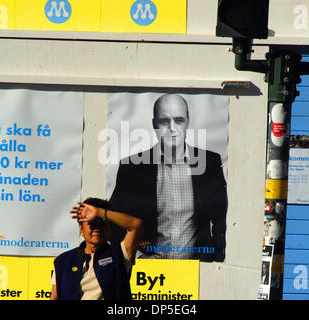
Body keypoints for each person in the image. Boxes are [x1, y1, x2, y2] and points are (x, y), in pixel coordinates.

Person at [109, 94, 227, 262]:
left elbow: (221, 217)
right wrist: (132, 257)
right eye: (164, 121)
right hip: (149, 274)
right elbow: (115, 221)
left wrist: (215, 258)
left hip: (197, 271)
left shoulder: (209, 164)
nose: (172, 128)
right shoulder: (132, 167)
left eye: (179, 120)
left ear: (188, 122)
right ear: (154, 124)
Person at [50, 198, 142, 300]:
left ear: (110, 228)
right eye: (92, 224)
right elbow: (54, 296)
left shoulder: (120, 254)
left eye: (102, 224)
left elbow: (136, 225)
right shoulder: (64, 260)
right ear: (81, 228)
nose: (97, 229)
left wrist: (100, 212)